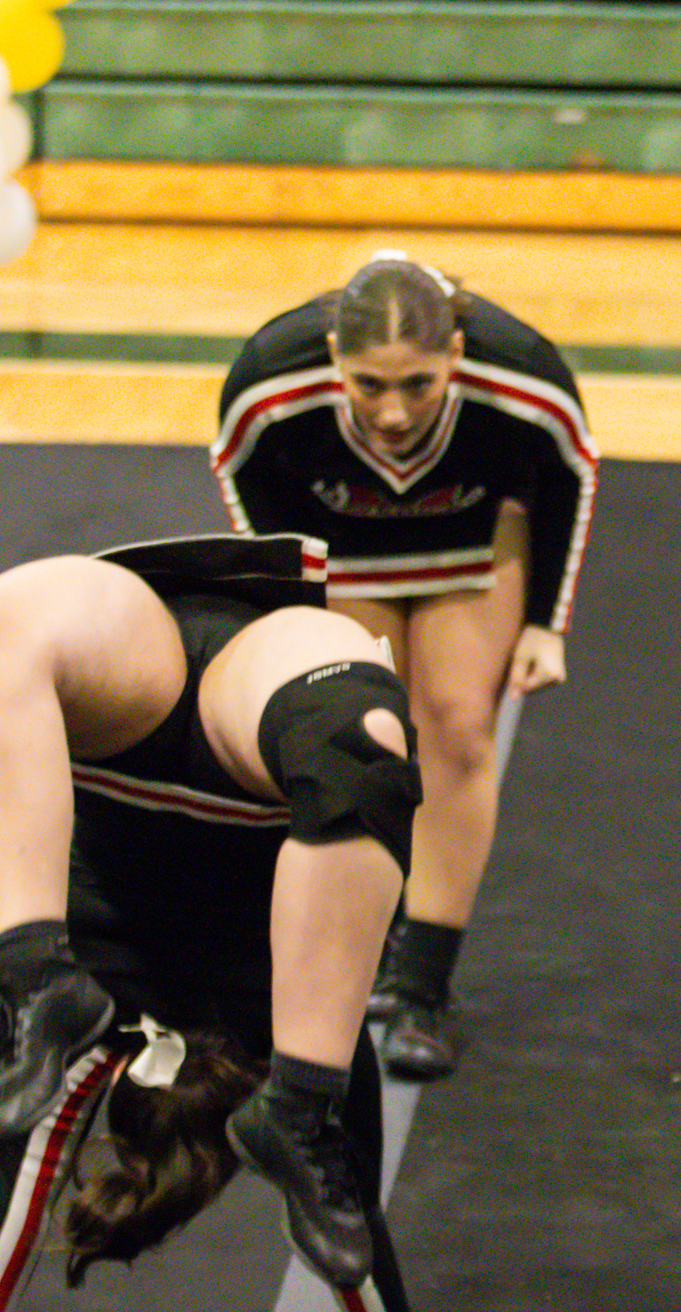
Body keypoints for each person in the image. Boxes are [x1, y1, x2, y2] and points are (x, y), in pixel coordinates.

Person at [210, 255, 598, 1081]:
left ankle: (421, 985)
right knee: (362, 735)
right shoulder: (269, 383)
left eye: (419, 385)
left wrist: (544, 624)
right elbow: (244, 477)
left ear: (456, 351)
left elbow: (571, 473)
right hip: (343, 543)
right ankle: (360, 951)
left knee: (458, 728)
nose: (392, 411)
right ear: (330, 356)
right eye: (368, 385)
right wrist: (289, 605)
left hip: (470, 544)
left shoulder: (523, 376)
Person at [0, 532, 420, 1294]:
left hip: (135, 715)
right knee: (360, 751)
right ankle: (26, 962)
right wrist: (308, 1088)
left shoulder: (283, 1011)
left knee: (359, 749)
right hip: (236, 727)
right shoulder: (297, 1014)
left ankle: (27, 964)